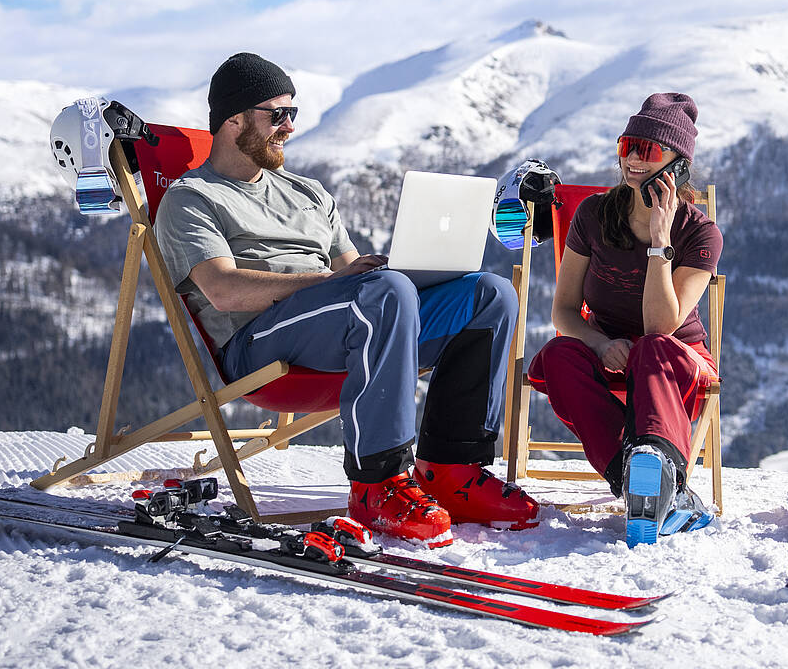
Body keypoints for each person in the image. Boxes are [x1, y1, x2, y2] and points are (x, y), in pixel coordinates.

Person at [154, 52, 540, 546]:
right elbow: (223, 290)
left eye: (293, 113)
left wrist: (397, 270)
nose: (289, 127)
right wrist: (327, 282)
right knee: (385, 293)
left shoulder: (308, 192)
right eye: (277, 114)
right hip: (257, 344)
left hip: (335, 327)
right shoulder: (193, 198)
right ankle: (376, 483)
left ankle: (451, 470)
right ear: (233, 119)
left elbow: (352, 274)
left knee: (490, 294)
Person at [526, 92, 723, 546]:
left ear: (677, 164)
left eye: (648, 150)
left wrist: (659, 241)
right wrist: (597, 343)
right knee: (559, 355)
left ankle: (657, 478)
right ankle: (646, 488)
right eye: (626, 145)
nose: (633, 159)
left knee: (653, 347)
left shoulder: (699, 233)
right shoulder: (594, 216)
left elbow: (661, 327)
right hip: (609, 349)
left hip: (675, 362)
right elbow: (563, 312)